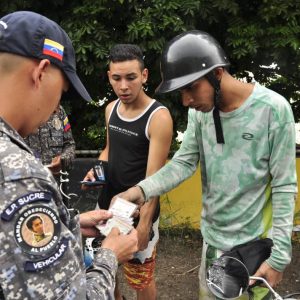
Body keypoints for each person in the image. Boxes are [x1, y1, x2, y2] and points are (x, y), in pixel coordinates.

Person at [114, 31, 297, 300]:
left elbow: (284, 185)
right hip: (211, 245)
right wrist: (139, 191)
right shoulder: (200, 115)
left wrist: (279, 258)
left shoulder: (273, 110)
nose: (186, 100)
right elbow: (184, 163)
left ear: (218, 73)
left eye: (191, 88)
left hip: (255, 249)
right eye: (182, 92)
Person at [0, 11, 138, 299]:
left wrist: (68, 226)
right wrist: (110, 256)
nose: (55, 106)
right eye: (61, 91)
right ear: (40, 73)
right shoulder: (19, 177)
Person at [82, 44, 173, 300]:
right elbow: (109, 150)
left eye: (131, 78)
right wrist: (97, 170)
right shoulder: (110, 109)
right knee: (104, 269)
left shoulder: (158, 117)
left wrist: (144, 225)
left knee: (141, 280)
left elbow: (156, 179)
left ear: (144, 76)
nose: (123, 86)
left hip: (137, 213)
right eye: (116, 78)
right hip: (106, 207)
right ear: (109, 76)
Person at [24, 105, 76, 175]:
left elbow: (70, 144)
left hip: (55, 180)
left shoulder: (59, 111)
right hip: (29, 179)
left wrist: (63, 159)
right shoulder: (22, 111)